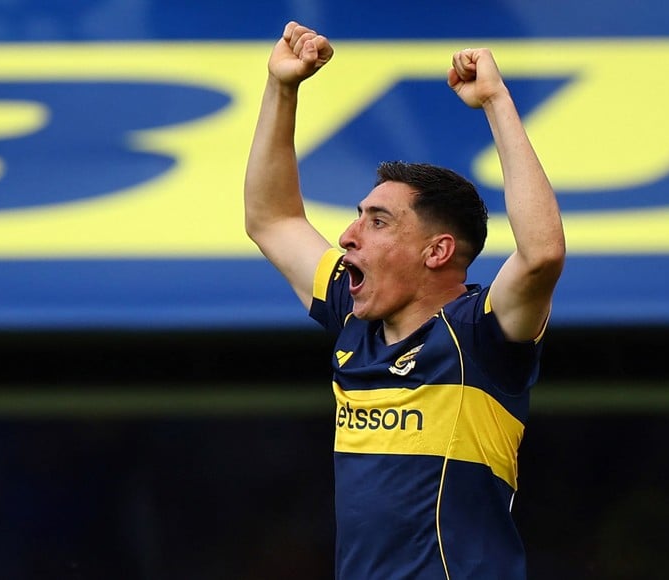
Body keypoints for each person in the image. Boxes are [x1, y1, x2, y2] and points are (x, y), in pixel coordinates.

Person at [244, 21, 565, 580]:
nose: (348, 236)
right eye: (357, 216)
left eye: (377, 221)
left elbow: (541, 255)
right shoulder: (353, 316)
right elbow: (272, 219)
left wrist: (495, 101)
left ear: (437, 250)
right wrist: (282, 88)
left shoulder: (482, 335)